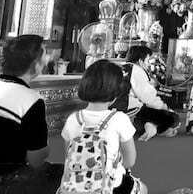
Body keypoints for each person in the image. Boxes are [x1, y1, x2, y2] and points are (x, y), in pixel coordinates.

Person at [60, 60, 147, 194]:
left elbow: (68, 154)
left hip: (73, 186)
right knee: (143, 188)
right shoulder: (120, 119)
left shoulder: (73, 119)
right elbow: (130, 161)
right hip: (110, 187)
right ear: (116, 92)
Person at [0, 35, 62, 194]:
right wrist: (45, 150)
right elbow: (36, 160)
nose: (48, 59)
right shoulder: (31, 100)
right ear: (35, 65)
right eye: (45, 54)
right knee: (63, 174)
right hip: (2, 179)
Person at [122, 45, 180, 141]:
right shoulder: (137, 70)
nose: (149, 64)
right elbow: (148, 99)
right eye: (148, 61)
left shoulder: (122, 68)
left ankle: (151, 126)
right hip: (130, 111)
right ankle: (154, 128)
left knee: (151, 111)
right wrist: (166, 109)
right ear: (140, 61)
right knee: (173, 119)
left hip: (115, 109)